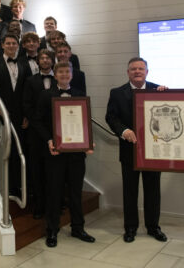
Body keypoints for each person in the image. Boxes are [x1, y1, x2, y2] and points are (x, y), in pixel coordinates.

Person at [105, 57, 168, 243]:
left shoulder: (159, 90)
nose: (137, 71)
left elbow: (171, 110)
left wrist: (167, 95)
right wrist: (123, 131)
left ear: (147, 72)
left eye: (141, 68)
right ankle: (130, 228)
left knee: (153, 191)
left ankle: (153, 227)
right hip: (129, 150)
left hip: (154, 151)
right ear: (128, 72)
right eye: (133, 69)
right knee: (130, 192)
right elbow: (111, 117)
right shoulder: (116, 93)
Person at [34, 61, 95, 247]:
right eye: (60, 72)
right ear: (55, 75)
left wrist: (88, 140)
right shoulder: (45, 95)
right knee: (54, 192)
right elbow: (38, 121)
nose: (64, 75)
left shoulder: (79, 94)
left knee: (76, 192)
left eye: (67, 72)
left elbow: (85, 120)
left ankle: (78, 228)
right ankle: (52, 230)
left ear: (71, 74)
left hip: (77, 153)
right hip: (55, 152)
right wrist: (49, 140)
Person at [0, 33, 32, 197]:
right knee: (3, 149)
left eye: (14, 43)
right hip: (1, 113)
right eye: (9, 43)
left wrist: (27, 114)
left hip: (20, 115)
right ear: (2, 45)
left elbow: (28, 92)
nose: (12, 46)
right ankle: (0, 184)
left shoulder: (24, 65)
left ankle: (16, 186)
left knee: (18, 151)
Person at [22, 48, 55, 219]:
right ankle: (39, 205)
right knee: (36, 170)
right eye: (42, 58)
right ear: (37, 62)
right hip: (35, 133)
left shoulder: (59, 80)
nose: (45, 61)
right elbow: (26, 105)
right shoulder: (30, 81)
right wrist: (37, 123)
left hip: (55, 133)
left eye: (48, 58)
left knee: (53, 171)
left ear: (52, 61)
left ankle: (54, 205)